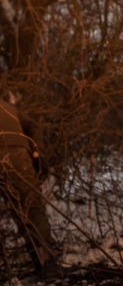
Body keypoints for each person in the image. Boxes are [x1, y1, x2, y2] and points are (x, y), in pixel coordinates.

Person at [0, 99, 63, 280]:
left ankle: (45, 265)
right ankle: (48, 265)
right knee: (30, 209)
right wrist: (36, 152)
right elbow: (33, 126)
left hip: (13, 152)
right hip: (18, 155)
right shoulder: (8, 107)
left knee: (26, 211)